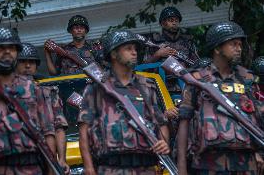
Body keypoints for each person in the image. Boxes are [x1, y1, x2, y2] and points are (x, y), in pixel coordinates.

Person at [78, 30, 171, 175]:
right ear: (114, 54)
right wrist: (88, 167)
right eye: (128, 49)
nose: (134, 53)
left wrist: (164, 142)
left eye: (135, 49)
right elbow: (84, 131)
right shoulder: (96, 89)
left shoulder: (146, 86)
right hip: (111, 168)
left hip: (146, 168)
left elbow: (161, 123)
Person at [177, 21, 264, 175]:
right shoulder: (197, 80)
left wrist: (259, 153)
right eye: (233, 44)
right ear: (217, 48)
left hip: (246, 163)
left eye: (240, 44)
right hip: (209, 163)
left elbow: (258, 119)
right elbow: (184, 123)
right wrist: (182, 167)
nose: (239, 48)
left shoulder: (248, 79)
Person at [0, 27, 55, 175]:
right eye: (0, 48)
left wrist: (51, 167)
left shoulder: (34, 89)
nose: (7, 51)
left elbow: (48, 131)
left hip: (34, 167)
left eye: (12, 48)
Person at [16, 42, 70, 174]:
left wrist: (62, 159)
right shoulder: (7, 92)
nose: (28, 66)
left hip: (48, 155)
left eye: (32, 62)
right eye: (23, 62)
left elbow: (59, 127)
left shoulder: (49, 91)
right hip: (20, 155)